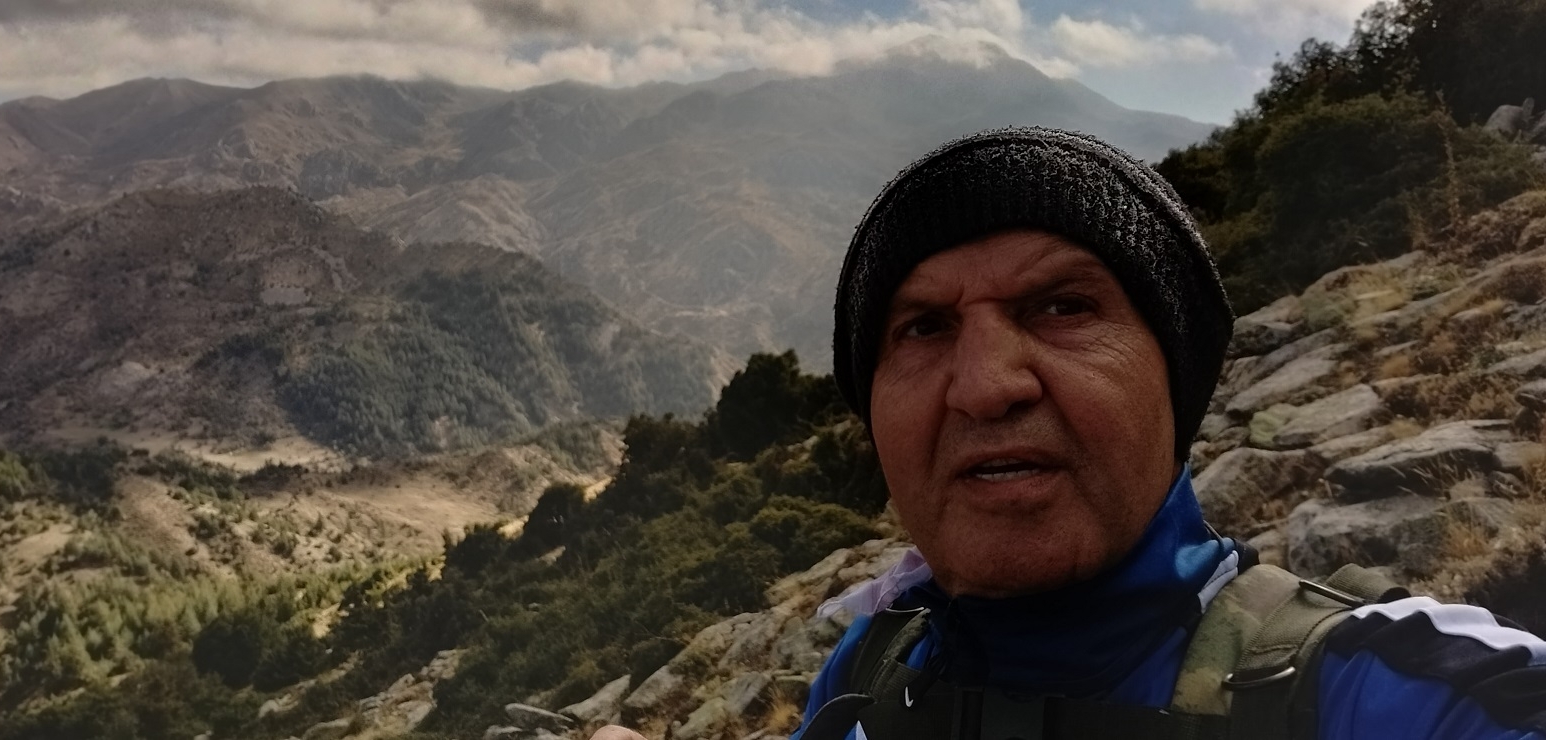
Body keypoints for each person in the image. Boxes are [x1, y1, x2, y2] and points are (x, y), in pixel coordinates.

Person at [592, 128, 1546, 740]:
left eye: (1061, 307)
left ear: (1174, 373)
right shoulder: (865, 675)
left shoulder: (1399, 691)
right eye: (922, 327)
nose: (985, 386)